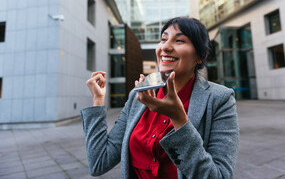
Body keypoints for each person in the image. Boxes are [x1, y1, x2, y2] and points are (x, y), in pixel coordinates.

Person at [81, 17, 240, 179]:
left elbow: (219, 176)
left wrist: (179, 120)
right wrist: (98, 101)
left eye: (179, 40)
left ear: (200, 56)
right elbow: (99, 162)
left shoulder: (221, 99)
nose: (165, 46)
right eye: (163, 39)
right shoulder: (139, 94)